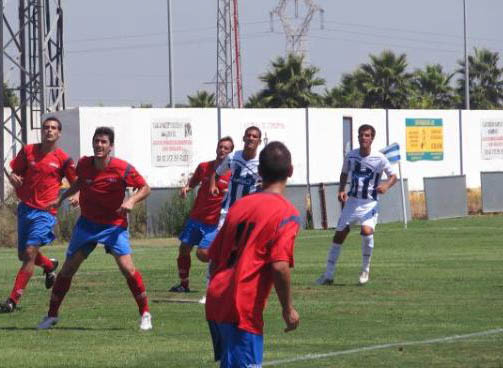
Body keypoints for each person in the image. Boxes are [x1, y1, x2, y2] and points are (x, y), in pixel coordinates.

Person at [37, 127, 153, 330]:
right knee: (67, 269)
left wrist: (132, 200)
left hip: (113, 226)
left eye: (104, 142)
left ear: (111, 146)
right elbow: (80, 182)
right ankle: (51, 315)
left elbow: (145, 188)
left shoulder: (122, 168)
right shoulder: (84, 164)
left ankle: (145, 313)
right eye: (96, 141)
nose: (99, 145)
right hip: (87, 225)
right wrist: (61, 197)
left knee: (127, 268)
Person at [206, 141, 300, 368]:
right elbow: (279, 266)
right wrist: (287, 308)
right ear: (290, 171)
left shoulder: (239, 206)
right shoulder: (286, 213)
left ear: (259, 172)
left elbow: (213, 257)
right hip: (242, 306)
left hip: (217, 300)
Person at [0, 117, 77, 313]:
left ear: (59, 133)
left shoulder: (63, 159)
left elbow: (76, 181)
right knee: (23, 255)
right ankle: (49, 265)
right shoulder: (28, 152)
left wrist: (77, 195)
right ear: (41, 131)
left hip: (45, 212)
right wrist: (14, 178)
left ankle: (12, 300)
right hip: (25, 208)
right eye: (46, 127)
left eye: (53, 128)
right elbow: (14, 173)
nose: (49, 131)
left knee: (28, 254)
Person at [316, 124, 397, 286]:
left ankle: (365, 269)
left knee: (366, 231)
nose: (363, 138)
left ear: (372, 138)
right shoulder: (351, 156)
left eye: (367, 135)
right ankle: (328, 274)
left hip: (370, 202)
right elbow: (344, 173)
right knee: (339, 235)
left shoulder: (379, 158)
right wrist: (341, 190)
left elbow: (393, 176)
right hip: (352, 202)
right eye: (361, 135)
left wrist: (386, 186)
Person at [169, 137, 234, 293]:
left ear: (231, 152)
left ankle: (225, 269)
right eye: (221, 147)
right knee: (184, 249)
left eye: (226, 148)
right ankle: (184, 285)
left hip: (214, 221)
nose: (222, 150)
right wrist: (187, 188)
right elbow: (193, 182)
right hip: (196, 218)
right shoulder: (204, 167)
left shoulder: (232, 173)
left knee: (203, 254)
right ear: (216, 148)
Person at [210, 126, 262, 230]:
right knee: (222, 242)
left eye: (254, 136)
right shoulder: (232, 157)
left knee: (244, 244)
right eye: (248, 135)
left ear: (259, 141)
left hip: (250, 211)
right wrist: (212, 186)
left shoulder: (262, 161)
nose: (251, 138)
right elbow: (216, 174)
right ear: (244, 138)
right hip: (229, 209)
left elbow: (270, 183)